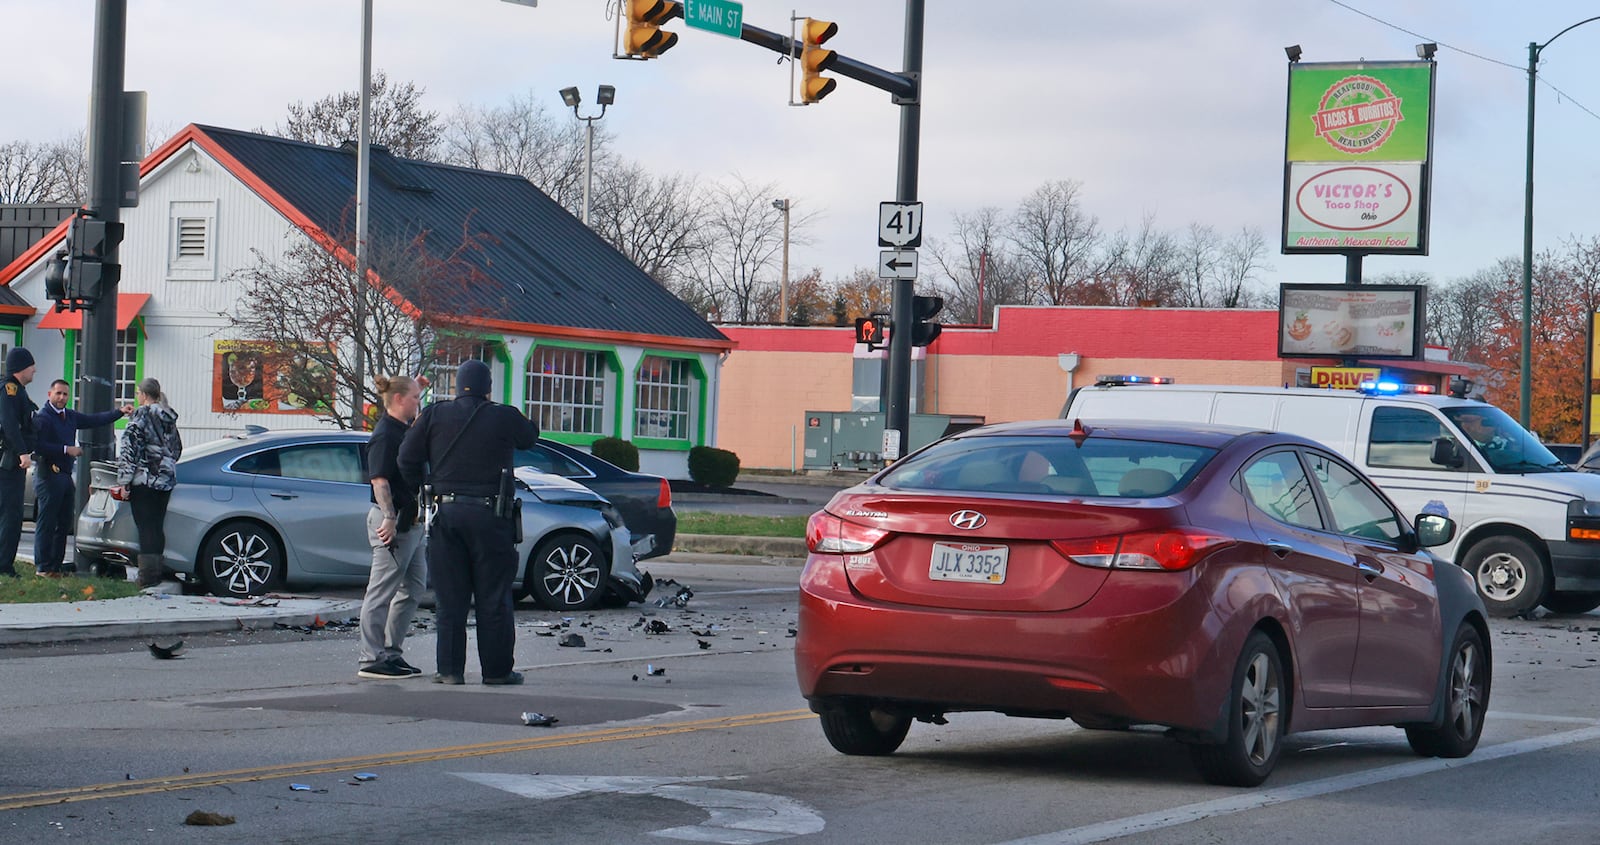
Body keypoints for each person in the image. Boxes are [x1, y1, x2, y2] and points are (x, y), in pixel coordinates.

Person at [398, 360, 537, 686]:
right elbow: (530, 437)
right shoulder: (502, 415)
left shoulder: (434, 414)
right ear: (488, 388)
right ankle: (497, 671)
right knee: (493, 598)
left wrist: (424, 490)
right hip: (492, 517)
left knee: (450, 600)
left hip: (446, 515)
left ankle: (449, 671)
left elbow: (406, 458)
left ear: (457, 386)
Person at [357, 374, 429, 680]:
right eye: (414, 397)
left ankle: (390, 652)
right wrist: (388, 516)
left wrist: (418, 385)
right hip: (393, 521)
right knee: (381, 591)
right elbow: (380, 479)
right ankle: (371, 657)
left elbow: (409, 396)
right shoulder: (386, 435)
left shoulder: (404, 428)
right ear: (399, 400)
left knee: (413, 587)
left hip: (411, 522)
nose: (419, 402)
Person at [31, 379, 132, 576]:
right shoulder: (43, 417)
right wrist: (65, 450)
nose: (62, 398)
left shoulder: (69, 416)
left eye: (65, 394)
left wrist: (119, 412)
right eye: (58, 393)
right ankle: (43, 566)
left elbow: (93, 420)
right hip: (48, 475)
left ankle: (55, 565)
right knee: (47, 522)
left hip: (65, 476)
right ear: (49, 394)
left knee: (64, 522)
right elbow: (38, 446)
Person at [111, 378, 183, 590]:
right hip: (165, 480)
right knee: (157, 526)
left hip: (144, 478)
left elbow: (130, 449)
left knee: (145, 527)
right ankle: (156, 573)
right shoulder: (169, 417)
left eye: (138, 394)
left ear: (142, 394)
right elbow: (177, 449)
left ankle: (147, 577)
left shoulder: (141, 415)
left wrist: (124, 481)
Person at [0, 347, 39, 578]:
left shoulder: (17, 391)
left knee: (10, 514)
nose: (35, 369)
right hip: (9, 463)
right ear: (21, 367)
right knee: (11, 515)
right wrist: (23, 452)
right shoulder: (10, 390)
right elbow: (10, 424)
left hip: (11, 462)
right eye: (31, 365)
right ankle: (4, 566)